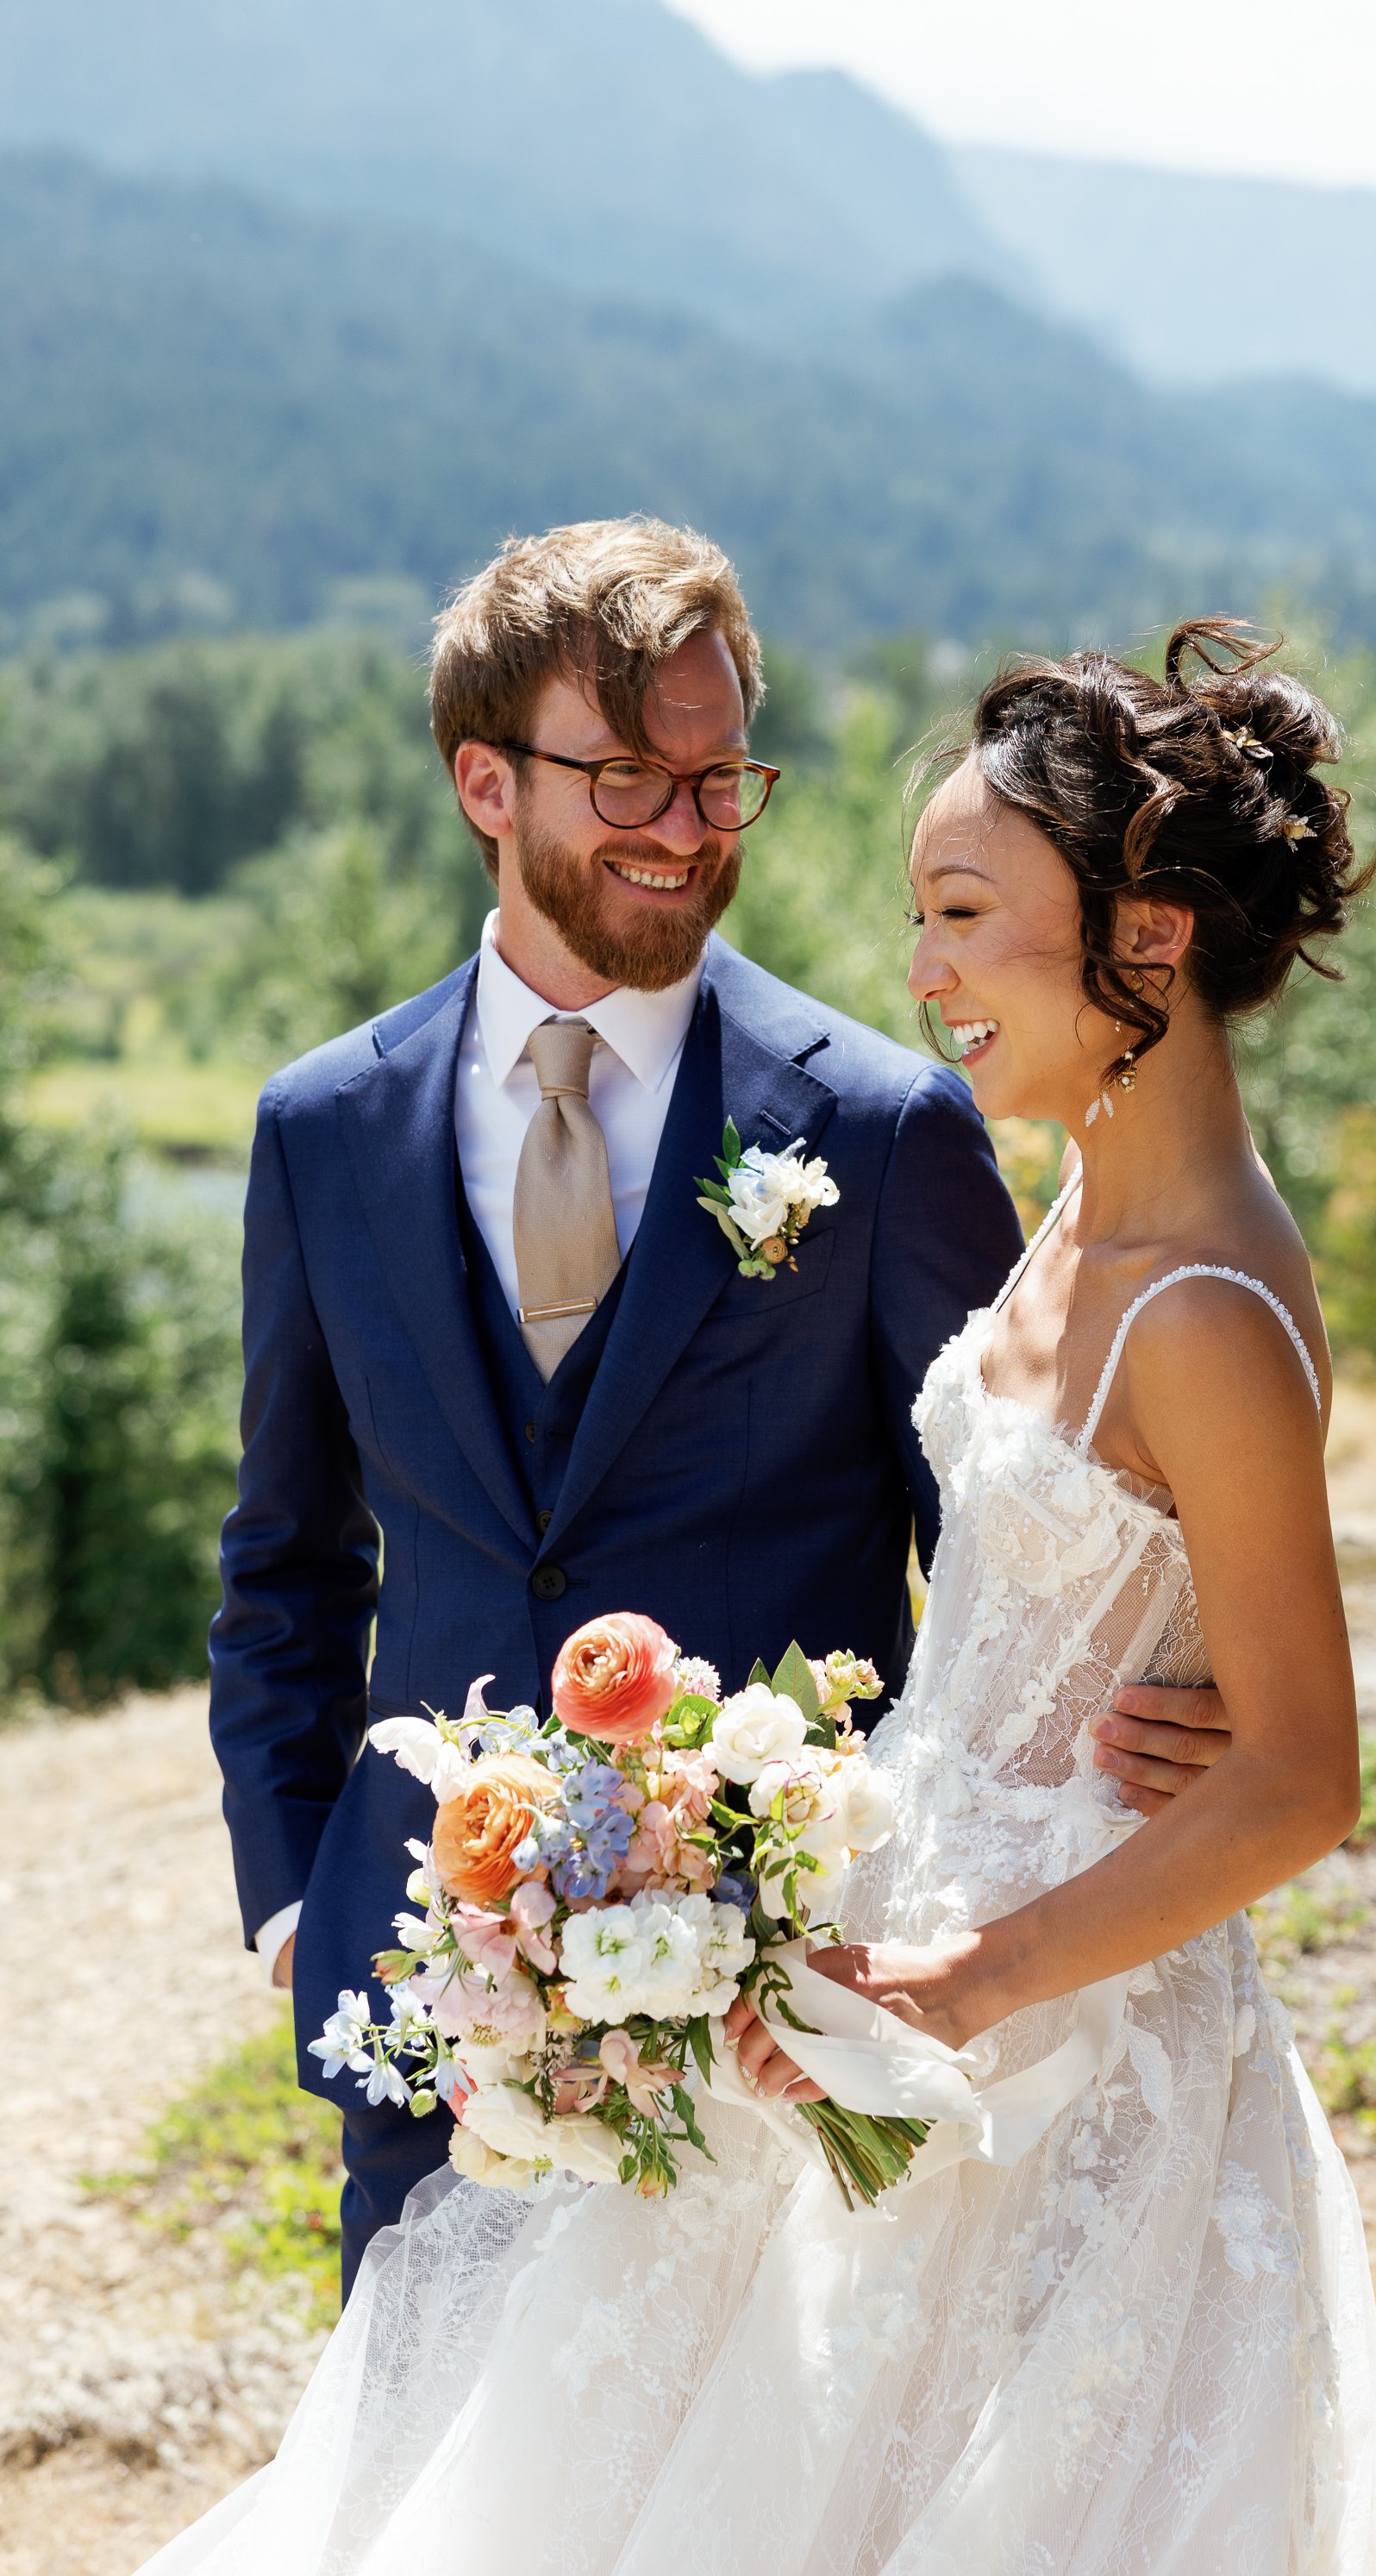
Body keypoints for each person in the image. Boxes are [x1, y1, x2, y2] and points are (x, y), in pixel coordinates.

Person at [153, 612, 1376, 2575]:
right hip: (851, 1972)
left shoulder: (1183, 1284)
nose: (925, 973)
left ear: (1147, 933)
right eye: (924, 916)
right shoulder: (1082, 1215)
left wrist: (1012, 1936)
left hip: (1042, 2039)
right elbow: (1052, 1572)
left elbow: (1308, 1773)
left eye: (970, 912)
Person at [205, 515, 1229, 2299]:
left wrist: (1177, 1697)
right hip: (426, 2000)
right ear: (483, 781)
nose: (685, 831)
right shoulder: (323, 1129)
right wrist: (301, 1889)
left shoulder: (886, 1125)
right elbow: (286, 1553)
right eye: (627, 778)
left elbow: (1018, 1545)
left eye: (716, 777)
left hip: (779, 2016)